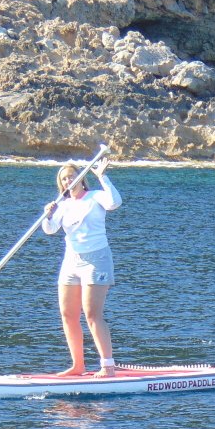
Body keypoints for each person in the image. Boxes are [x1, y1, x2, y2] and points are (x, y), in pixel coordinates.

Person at [41, 155, 122, 377]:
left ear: (81, 178)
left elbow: (115, 202)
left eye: (72, 176)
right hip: (71, 262)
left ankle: (108, 366)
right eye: (64, 179)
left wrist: (102, 176)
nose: (68, 181)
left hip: (96, 260)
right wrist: (47, 216)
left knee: (92, 314)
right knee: (67, 314)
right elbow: (50, 229)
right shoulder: (62, 205)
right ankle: (78, 366)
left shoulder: (95, 197)